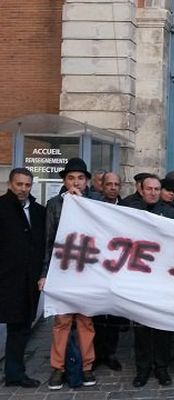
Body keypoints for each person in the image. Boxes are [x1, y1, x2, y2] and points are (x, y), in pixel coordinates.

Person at [38, 157, 102, 390]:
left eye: (80, 178)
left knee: (86, 320)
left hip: (88, 269)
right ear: (65, 181)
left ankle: (86, 366)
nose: (76, 182)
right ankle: (58, 367)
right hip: (62, 269)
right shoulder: (55, 204)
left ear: (87, 181)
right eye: (71, 178)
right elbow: (48, 239)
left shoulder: (95, 202)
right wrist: (45, 272)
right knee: (62, 320)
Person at [121, 175, 174, 387]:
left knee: (163, 327)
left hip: (164, 279)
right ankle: (143, 369)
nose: (153, 192)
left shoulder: (172, 213)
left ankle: (162, 368)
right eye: (149, 188)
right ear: (141, 189)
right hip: (140, 278)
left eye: (157, 189)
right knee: (142, 328)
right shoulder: (130, 212)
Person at [0, 168, 46, 388]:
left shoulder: (38, 211)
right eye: (19, 184)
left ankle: (14, 372)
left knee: (22, 327)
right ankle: (14, 373)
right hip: (8, 279)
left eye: (27, 185)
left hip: (31, 281)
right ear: (11, 184)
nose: (23, 189)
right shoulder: (1, 207)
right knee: (16, 326)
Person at [93, 171, 125, 371]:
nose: (113, 187)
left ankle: (111, 353)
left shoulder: (128, 208)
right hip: (97, 266)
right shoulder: (92, 207)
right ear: (102, 186)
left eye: (116, 184)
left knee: (114, 312)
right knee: (97, 313)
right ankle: (96, 354)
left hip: (120, 267)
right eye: (109, 184)